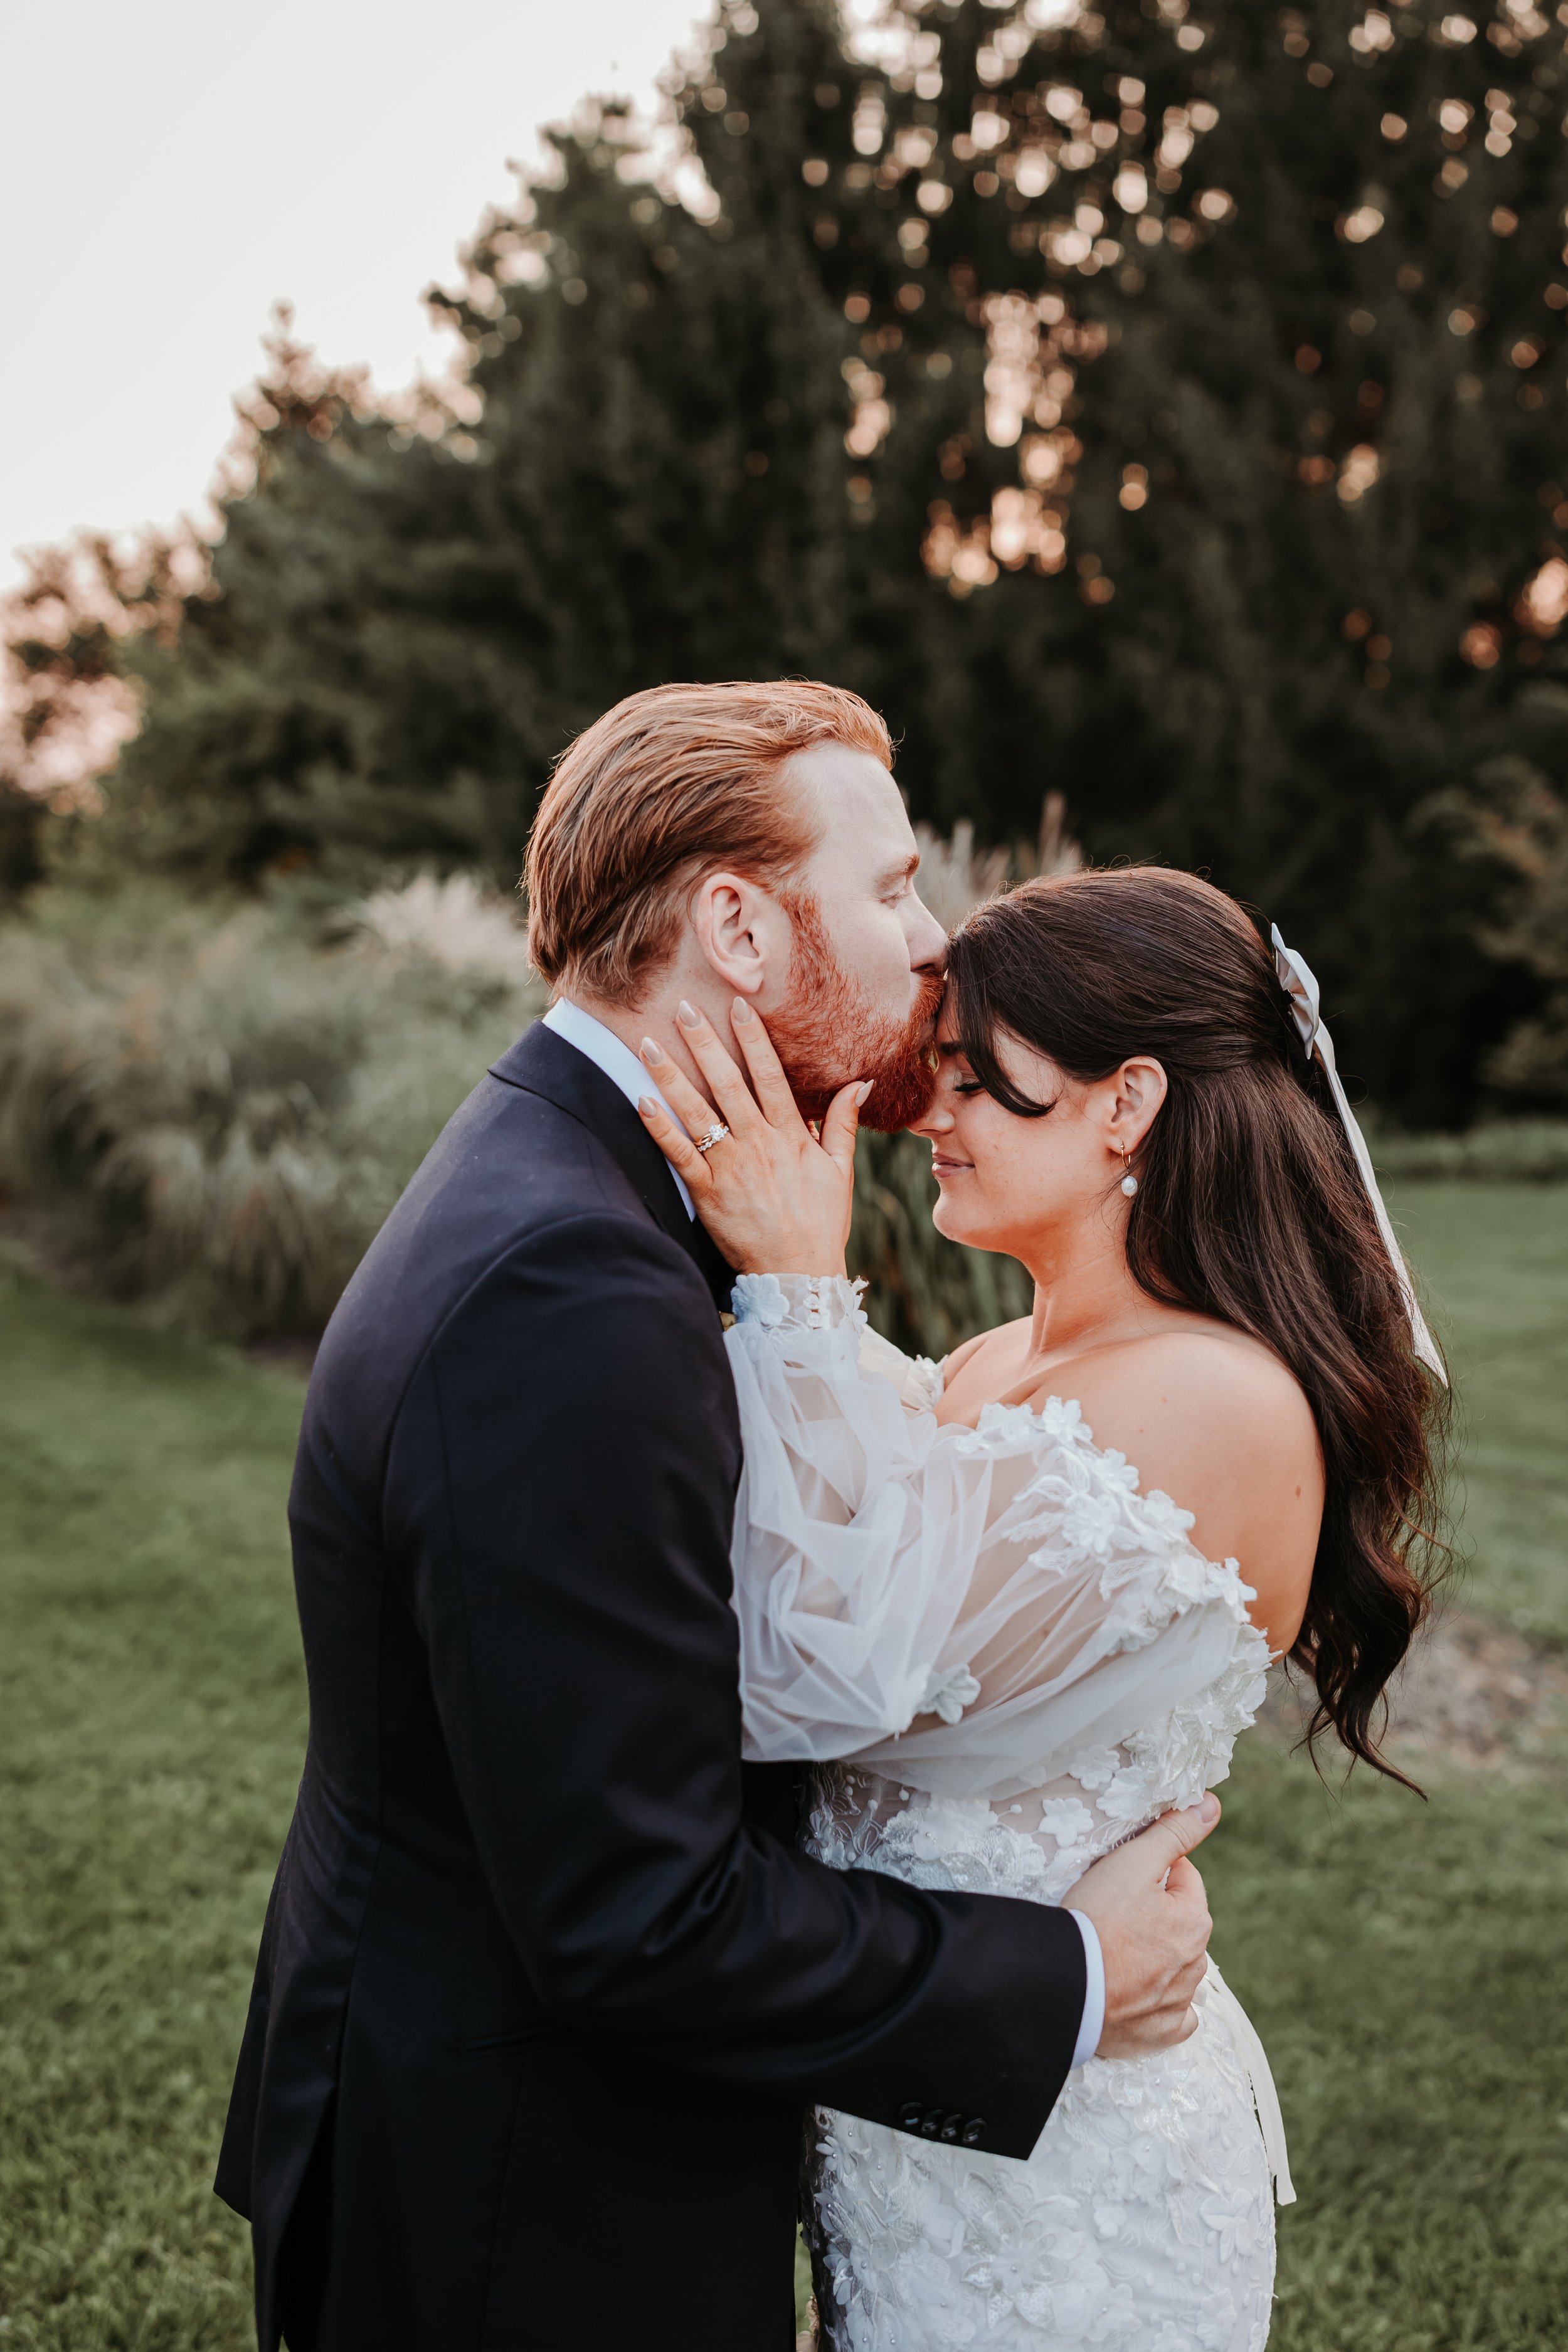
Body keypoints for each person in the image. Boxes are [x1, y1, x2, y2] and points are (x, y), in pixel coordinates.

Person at [215, 683, 1221, 2352]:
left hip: (489, 2128)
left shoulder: (586, 1182)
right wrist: (1065, 1972)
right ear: (737, 926)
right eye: (891, 887)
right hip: (525, 2216)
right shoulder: (572, 1283)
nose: (932, 939)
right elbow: (634, 1911)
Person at [635, 865, 1448, 2352]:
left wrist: (800, 1289)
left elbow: (827, 1677)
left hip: (1077, 2173)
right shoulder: (989, 1366)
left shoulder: (1213, 1395)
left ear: (1123, 1103)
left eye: (974, 1084)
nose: (928, 1118)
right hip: (933, 2102)